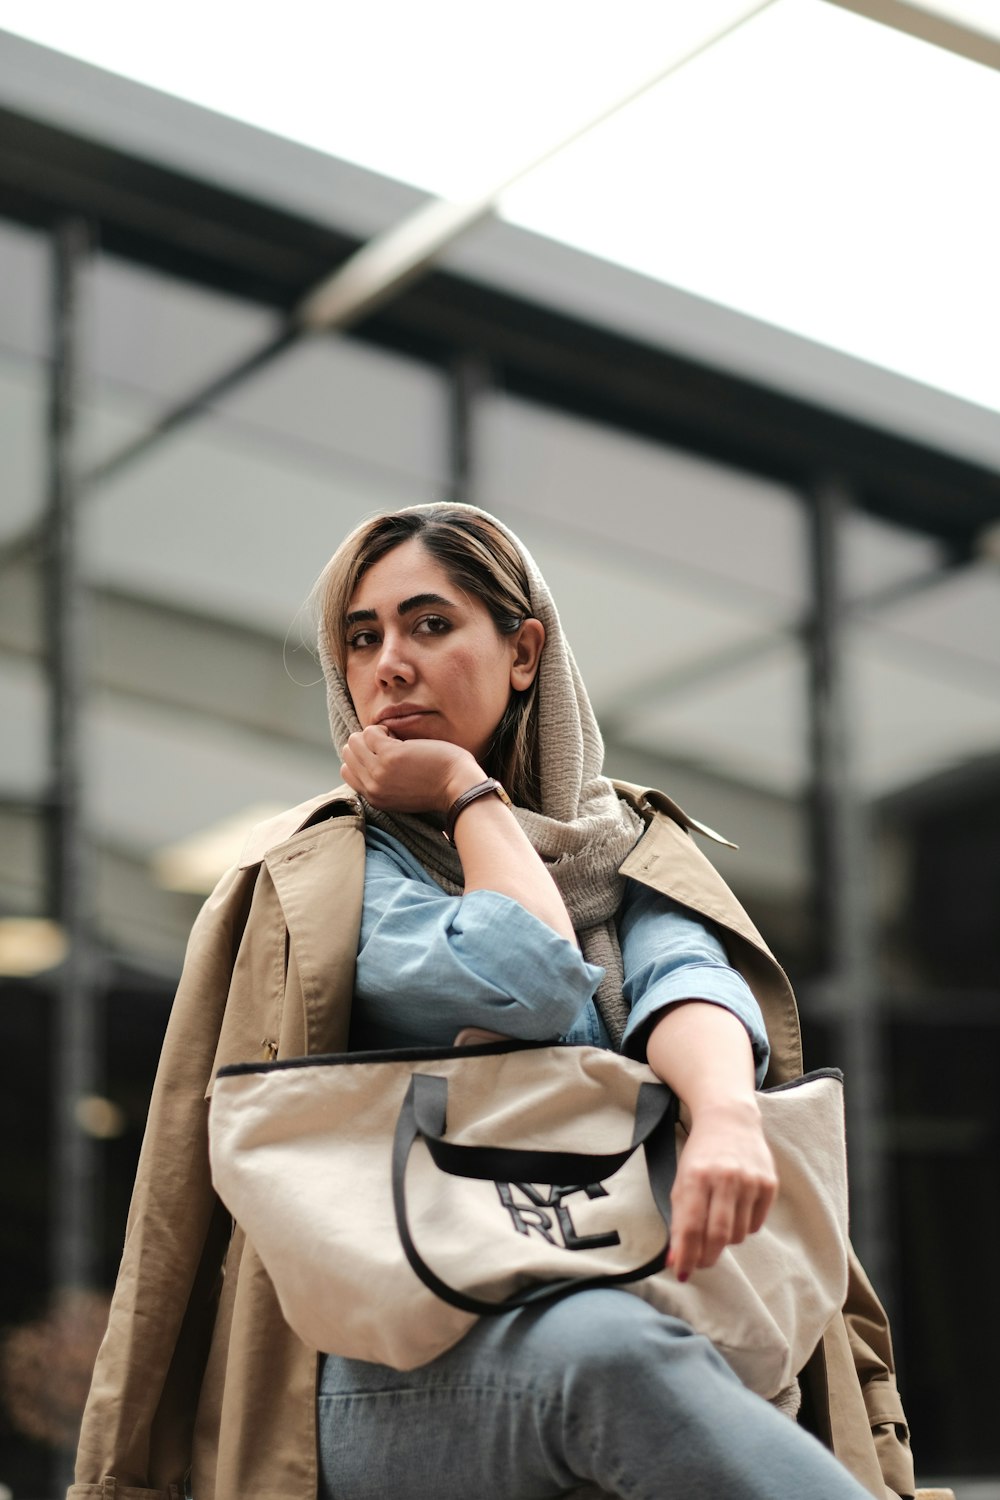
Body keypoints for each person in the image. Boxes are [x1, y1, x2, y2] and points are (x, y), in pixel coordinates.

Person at [70, 503, 916, 1500]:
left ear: (523, 653)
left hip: (649, 1312)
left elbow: (686, 980)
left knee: (653, 1356)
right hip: (380, 1380)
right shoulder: (331, 872)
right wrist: (469, 797)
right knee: (608, 1358)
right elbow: (526, 976)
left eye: (430, 624)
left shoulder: (622, 845)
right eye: (361, 635)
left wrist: (727, 1120)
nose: (390, 662)